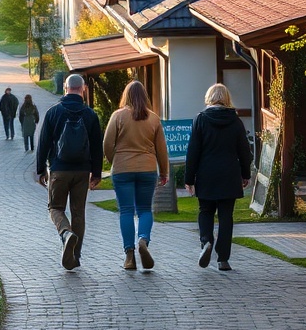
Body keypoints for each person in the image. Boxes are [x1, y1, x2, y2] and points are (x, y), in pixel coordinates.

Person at [35, 73, 103, 270]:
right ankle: (75, 255)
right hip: (82, 171)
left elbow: (43, 143)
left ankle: (66, 234)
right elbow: (97, 146)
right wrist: (96, 173)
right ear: (83, 89)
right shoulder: (90, 114)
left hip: (59, 169)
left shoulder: (54, 112)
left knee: (55, 208)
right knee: (78, 213)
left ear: (65, 88)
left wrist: (41, 170)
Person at [184, 83, 252, 272]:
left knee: (205, 210)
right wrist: (245, 174)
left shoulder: (201, 119)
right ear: (227, 98)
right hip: (229, 174)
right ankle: (223, 258)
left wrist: (189, 178)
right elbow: (244, 151)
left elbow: (193, 151)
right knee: (225, 216)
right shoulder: (236, 121)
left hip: (206, 174)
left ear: (209, 98)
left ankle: (206, 241)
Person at [103, 80, 170, 271]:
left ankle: (129, 256)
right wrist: (163, 171)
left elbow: (107, 144)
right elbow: (161, 149)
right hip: (147, 169)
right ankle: (143, 240)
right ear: (144, 97)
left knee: (126, 210)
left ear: (127, 96)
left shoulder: (118, 116)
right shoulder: (154, 119)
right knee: (144, 209)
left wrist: (113, 160)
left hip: (122, 168)